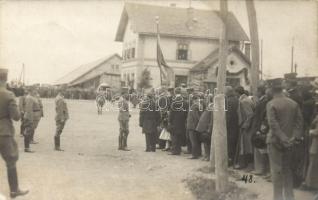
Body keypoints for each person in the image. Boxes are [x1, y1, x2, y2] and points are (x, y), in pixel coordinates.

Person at [266, 78, 303, 200]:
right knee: (287, 171)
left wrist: (283, 138)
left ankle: (278, 198)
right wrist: (293, 137)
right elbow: (299, 123)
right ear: (282, 89)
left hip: (275, 141)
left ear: (271, 90)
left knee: (276, 171)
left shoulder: (271, 104)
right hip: (290, 142)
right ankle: (289, 197)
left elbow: (273, 124)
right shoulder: (293, 103)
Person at [0, 68, 29, 198]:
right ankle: (13, 190)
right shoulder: (8, 94)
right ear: (5, 79)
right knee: (10, 161)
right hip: (4, 132)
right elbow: (16, 117)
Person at [250, 86, 272, 176]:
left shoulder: (264, 101)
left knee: (261, 149)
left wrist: (260, 128)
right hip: (259, 126)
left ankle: (261, 169)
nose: (256, 93)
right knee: (261, 149)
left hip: (259, 126)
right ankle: (262, 169)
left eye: (257, 91)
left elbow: (262, 116)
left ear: (260, 92)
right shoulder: (262, 101)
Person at [234, 86, 255, 169]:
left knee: (247, 146)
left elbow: (250, 114)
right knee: (246, 146)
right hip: (247, 125)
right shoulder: (247, 99)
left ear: (237, 93)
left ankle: (249, 165)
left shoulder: (244, 101)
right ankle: (246, 164)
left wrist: (245, 125)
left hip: (246, 127)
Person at [168, 88, 187, 155]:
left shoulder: (174, 102)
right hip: (181, 122)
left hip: (174, 122)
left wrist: (169, 121)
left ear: (175, 93)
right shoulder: (184, 102)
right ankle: (178, 150)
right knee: (179, 136)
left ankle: (174, 151)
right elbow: (186, 112)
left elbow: (171, 113)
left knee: (174, 137)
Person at [225, 86, 239, 166]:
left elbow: (228, 115)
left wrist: (225, 124)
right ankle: (233, 160)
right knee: (234, 143)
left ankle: (230, 161)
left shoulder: (229, 101)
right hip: (236, 124)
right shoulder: (236, 99)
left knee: (230, 144)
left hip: (230, 126)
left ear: (228, 92)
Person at [186, 94, 203, 159]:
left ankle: (194, 155)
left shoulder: (194, 106)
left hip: (192, 126)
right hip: (196, 126)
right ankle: (199, 153)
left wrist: (195, 124)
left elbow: (195, 117)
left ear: (194, 100)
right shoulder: (199, 106)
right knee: (197, 140)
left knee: (193, 141)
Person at [23, 87, 40, 152]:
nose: (36, 91)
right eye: (34, 90)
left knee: (29, 131)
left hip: (32, 116)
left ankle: (27, 147)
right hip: (30, 117)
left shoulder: (32, 97)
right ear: (31, 91)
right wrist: (30, 119)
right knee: (28, 131)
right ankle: (27, 148)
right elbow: (29, 109)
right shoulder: (29, 98)